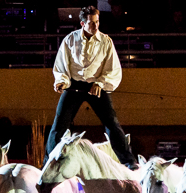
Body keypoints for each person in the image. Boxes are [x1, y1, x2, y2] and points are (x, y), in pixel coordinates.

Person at [49, 5, 138, 169]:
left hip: (96, 85)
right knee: (59, 124)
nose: (95, 26)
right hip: (74, 85)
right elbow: (61, 65)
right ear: (82, 23)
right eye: (91, 23)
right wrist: (61, 81)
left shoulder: (106, 41)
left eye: (97, 22)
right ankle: (49, 161)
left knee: (111, 122)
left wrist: (100, 83)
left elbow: (113, 68)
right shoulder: (70, 40)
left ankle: (128, 161)